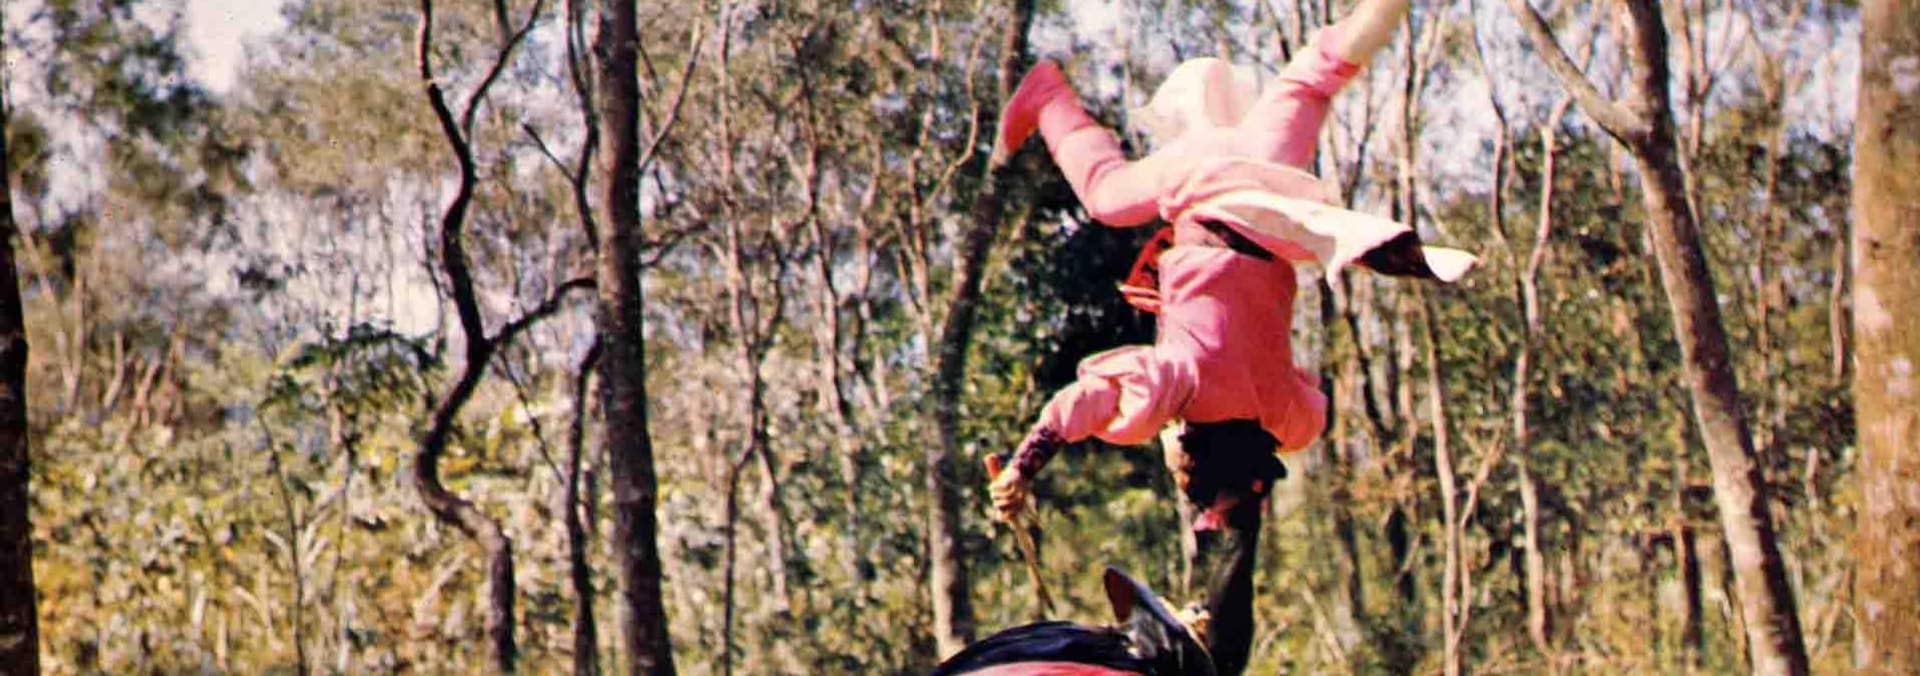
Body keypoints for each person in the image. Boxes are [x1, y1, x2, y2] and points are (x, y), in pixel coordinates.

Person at [986, 1, 1473, 673]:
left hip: (1248, 195)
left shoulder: (1277, 408)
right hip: (1235, 192)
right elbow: (1086, 402)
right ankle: (1046, 94)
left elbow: (1111, 411)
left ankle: (1046, 95)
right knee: (1112, 190)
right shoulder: (1193, 383)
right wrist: (1022, 466)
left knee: (1313, 75)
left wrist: (1024, 466)